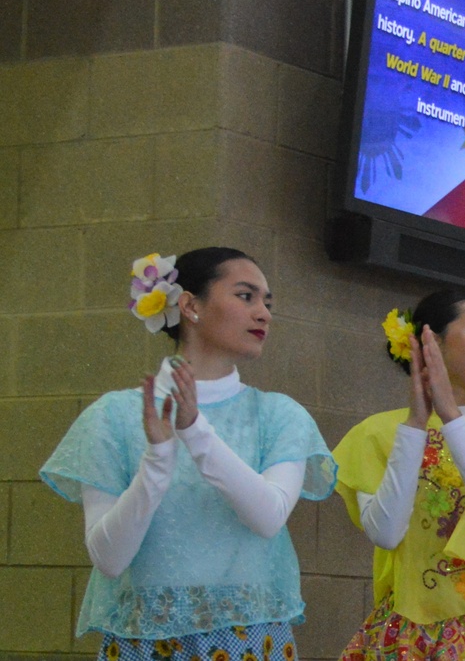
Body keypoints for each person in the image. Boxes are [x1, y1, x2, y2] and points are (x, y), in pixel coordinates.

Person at [40, 247, 337, 661]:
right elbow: (109, 559)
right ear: (190, 305)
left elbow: (268, 517)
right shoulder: (112, 415)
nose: (264, 314)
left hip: (249, 639)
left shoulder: (278, 414)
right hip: (143, 641)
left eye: (267, 302)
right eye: (246, 296)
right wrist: (158, 460)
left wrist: (196, 433)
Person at [333, 290, 465, 660]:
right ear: (430, 341)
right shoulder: (377, 432)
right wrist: (417, 424)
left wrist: (452, 417)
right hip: (402, 628)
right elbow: (386, 534)